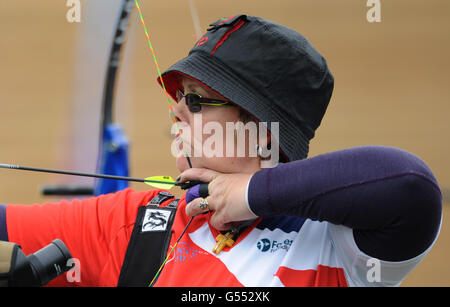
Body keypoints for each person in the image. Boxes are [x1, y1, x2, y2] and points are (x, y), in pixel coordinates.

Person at [0, 14, 442, 287]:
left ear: (264, 133)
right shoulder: (141, 221)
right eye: (179, 98)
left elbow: (410, 185)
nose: (176, 112)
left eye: (197, 100)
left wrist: (249, 193)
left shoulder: (334, 246)